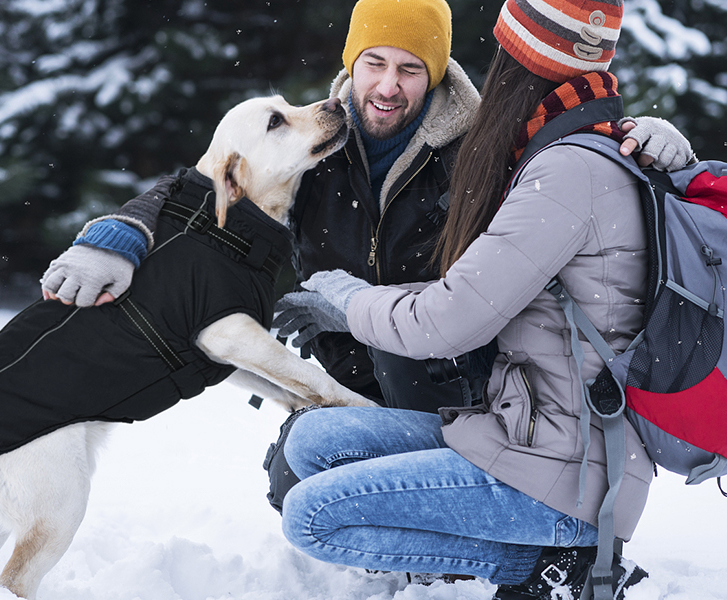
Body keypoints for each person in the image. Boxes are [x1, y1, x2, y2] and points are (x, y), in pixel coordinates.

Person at [39, 0, 693, 414]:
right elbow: (209, 182)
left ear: (434, 75)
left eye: (409, 69)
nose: (385, 86)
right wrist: (117, 235)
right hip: (344, 378)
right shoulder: (310, 142)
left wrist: (647, 141)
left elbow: (570, 152)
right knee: (293, 481)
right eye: (373, 63)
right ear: (352, 64)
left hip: (454, 385)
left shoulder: (482, 149)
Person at [269, 0, 660, 597]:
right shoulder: (549, 151)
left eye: (505, 57)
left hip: (561, 472)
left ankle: (549, 565)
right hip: (521, 431)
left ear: (523, 67)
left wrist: (346, 302)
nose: (390, 85)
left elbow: (449, 319)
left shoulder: (564, 171)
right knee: (310, 445)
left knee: (312, 517)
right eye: (375, 63)